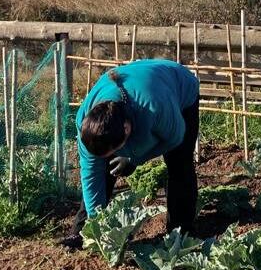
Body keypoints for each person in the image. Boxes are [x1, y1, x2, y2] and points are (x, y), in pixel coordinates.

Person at [62, 58, 201, 247]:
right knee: (103, 167)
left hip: (177, 86)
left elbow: (175, 138)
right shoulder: (86, 122)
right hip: (137, 81)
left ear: (127, 129)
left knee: (179, 162)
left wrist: (135, 158)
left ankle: (181, 232)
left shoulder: (154, 107)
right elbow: (90, 174)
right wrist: (97, 225)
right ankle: (81, 230)